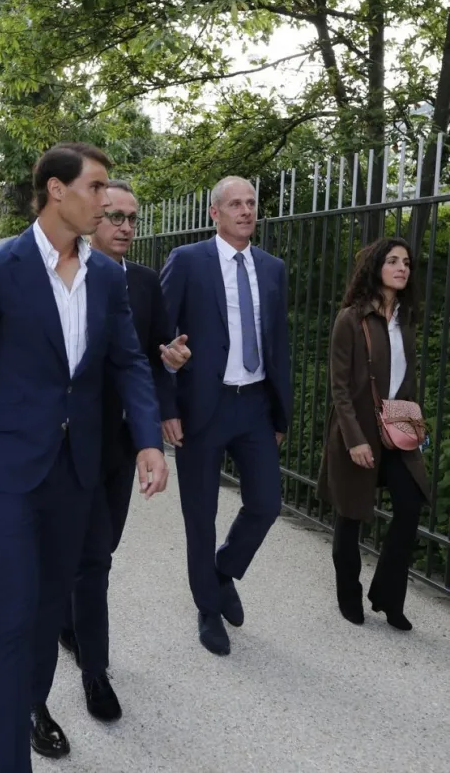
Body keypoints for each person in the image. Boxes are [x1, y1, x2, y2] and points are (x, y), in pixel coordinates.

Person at [0, 142, 168, 773]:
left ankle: (32, 705)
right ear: (56, 191)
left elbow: (129, 361)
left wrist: (148, 439)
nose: (105, 201)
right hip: (10, 470)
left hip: (77, 470)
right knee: (13, 617)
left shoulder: (106, 276)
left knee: (46, 611)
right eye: (95, 187)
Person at [59, 179, 190, 721]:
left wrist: (170, 368)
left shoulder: (144, 281)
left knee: (103, 547)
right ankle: (95, 670)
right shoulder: (65, 277)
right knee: (91, 557)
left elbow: (155, 356)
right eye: (115, 216)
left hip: (121, 442)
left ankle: (70, 618)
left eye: (132, 218)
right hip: (70, 442)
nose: (126, 227)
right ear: (93, 216)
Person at [160, 175, 291, 656]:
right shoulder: (187, 261)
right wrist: (167, 407)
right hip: (202, 407)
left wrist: (280, 414)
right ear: (214, 213)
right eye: (235, 204)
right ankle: (207, 607)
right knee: (200, 514)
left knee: (266, 504)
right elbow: (160, 339)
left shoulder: (272, 268)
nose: (246, 211)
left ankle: (223, 570)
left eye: (251, 203)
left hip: (254, 405)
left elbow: (278, 343)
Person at [318, 238, 430, 631]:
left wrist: (415, 427)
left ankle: (387, 596)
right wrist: (354, 439)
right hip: (358, 430)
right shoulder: (351, 318)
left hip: (397, 429)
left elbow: (405, 381)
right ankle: (348, 596)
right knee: (351, 514)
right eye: (393, 261)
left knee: (410, 504)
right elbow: (339, 388)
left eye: (407, 262)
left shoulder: (405, 319)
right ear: (376, 267)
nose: (402, 268)